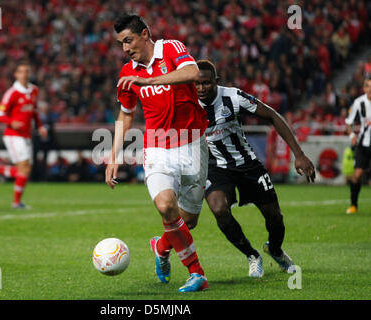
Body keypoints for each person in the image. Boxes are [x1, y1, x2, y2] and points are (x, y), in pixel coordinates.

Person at [106, 14, 209, 292]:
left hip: (193, 143)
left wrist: (151, 82)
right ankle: (196, 273)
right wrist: (113, 155)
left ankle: (161, 247)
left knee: (187, 221)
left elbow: (192, 73)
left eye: (128, 40)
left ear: (145, 34)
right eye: (121, 44)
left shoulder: (171, 48)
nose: (125, 49)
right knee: (165, 206)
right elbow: (126, 115)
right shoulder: (128, 72)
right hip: (157, 146)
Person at [195, 60, 316, 278]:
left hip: (247, 164)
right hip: (216, 167)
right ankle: (252, 255)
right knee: (219, 209)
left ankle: (275, 249)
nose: (201, 88)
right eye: (196, 84)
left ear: (216, 82)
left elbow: (272, 115)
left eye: (206, 83)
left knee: (275, 217)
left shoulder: (233, 97)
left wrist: (298, 154)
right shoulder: (187, 104)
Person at [0, 61, 47, 208]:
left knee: (25, 170)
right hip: (13, 135)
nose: (24, 74)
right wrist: (11, 122)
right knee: (24, 168)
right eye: (21, 72)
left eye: (27, 71)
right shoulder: (12, 93)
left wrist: (40, 127)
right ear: (16, 74)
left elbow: (34, 111)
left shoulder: (34, 90)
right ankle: (16, 202)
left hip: (27, 135)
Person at [345, 75, 371, 214]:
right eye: (368, 86)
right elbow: (348, 122)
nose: (370, 89)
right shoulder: (358, 103)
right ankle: (353, 205)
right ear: (364, 88)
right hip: (363, 144)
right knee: (356, 176)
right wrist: (352, 135)